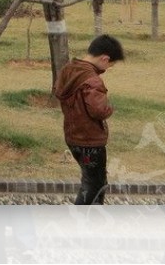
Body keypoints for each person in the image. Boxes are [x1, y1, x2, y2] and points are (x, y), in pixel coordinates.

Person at [53, 33, 125, 205]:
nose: (108, 68)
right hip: (90, 142)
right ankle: (81, 221)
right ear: (105, 58)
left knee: (95, 180)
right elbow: (99, 110)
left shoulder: (68, 69)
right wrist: (110, 108)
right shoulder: (92, 81)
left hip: (73, 137)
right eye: (111, 64)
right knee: (94, 184)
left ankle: (94, 219)